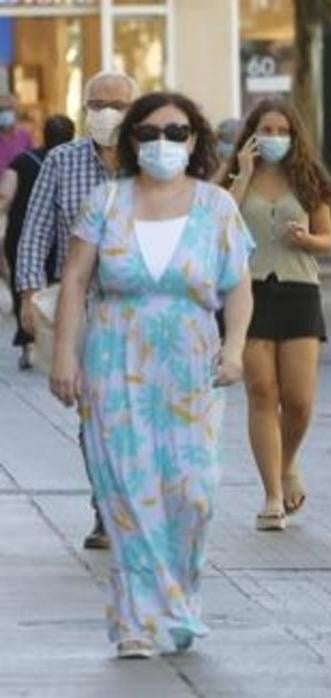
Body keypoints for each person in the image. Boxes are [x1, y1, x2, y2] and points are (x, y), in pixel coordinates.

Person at [48, 91, 254, 659]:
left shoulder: (217, 207)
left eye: (176, 132)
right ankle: (137, 622)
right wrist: (63, 354)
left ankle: (178, 604)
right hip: (116, 364)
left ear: (195, 140)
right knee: (128, 492)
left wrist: (236, 348)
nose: (163, 143)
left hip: (191, 368)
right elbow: (75, 280)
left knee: (192, 492)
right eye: (149, 133)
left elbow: (239, 285)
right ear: (131, 141)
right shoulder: (106, 201)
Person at [15, 71, 137, 551]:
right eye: (97, 104)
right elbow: (35, 231)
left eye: (117, 105)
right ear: (84, 108)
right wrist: (28, 297)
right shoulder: (62, 162)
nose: (107, 113)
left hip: (141, 309)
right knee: (96, 414)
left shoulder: (150, 161)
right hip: (82, 307)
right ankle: (106, 508)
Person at [219, 99, 331, 532]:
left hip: (299, 290)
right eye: (265, 130)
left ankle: (287, 465)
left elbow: (328, 240)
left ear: (294, 135)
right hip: (247, 292)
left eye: (281, 131)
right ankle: (271, 495)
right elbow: (218, 226)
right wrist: (243, 174)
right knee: (262, 392)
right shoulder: (233, 178)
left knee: (299, 401)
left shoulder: (308, 179)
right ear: (251, 135)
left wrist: (307, 239)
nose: (273, 138)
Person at [0, 115, 75, 369]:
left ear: (43, 133)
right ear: (72, 136)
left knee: (25, 286)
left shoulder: (22, 160)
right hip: (63, 233)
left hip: (22, 231)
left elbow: (5, 194)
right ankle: (57, 343)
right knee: (58, 287)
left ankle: (28, 344)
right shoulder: (77, 163)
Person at [0, 93, 34, 172]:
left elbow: (30, 163)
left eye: (8, 109)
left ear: (16, 112)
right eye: (1, 110)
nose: (4, 113)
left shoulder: (24, 136)